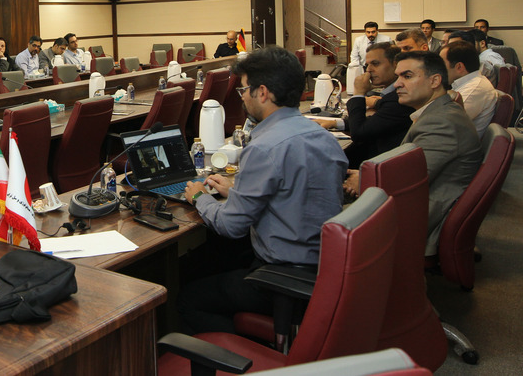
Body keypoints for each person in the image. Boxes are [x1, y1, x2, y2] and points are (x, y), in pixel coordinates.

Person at [178, 46, 347, 334]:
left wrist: (199, 198)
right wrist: (237, 191)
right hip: (324, 265)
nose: (242, 98)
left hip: (282, 276)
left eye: (243, 90)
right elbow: (295, 194)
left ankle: (243, 351)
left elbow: (231, 226)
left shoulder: (263, 148)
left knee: (187, 298)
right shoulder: (324, 138)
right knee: (213, 261)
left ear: (263, 93)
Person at [345, 51, 482, 255]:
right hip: (417, 203)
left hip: (417, 218)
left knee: (320, 216)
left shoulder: (441, 122)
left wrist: (365, 179)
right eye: (398, 76)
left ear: (435, 81)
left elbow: (411, 180)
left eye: (407, 76)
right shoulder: (438, 111)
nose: (397, 84)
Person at [316, 43, 413, 168]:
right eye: (367, 65)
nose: (369, 70)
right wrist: (335, 123)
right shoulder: (391, 95)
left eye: (375, 64)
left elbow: (359, 133)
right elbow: (376, 122)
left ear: (395, 64)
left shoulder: (399, 98)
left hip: (381, 167)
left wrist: (358, 93)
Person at [440, 41, 499, 139]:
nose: (438, 69)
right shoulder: (468, 83)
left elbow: (442, 126)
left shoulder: (474, 88)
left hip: (455, 144)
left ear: (459, 67)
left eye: (441, 64)